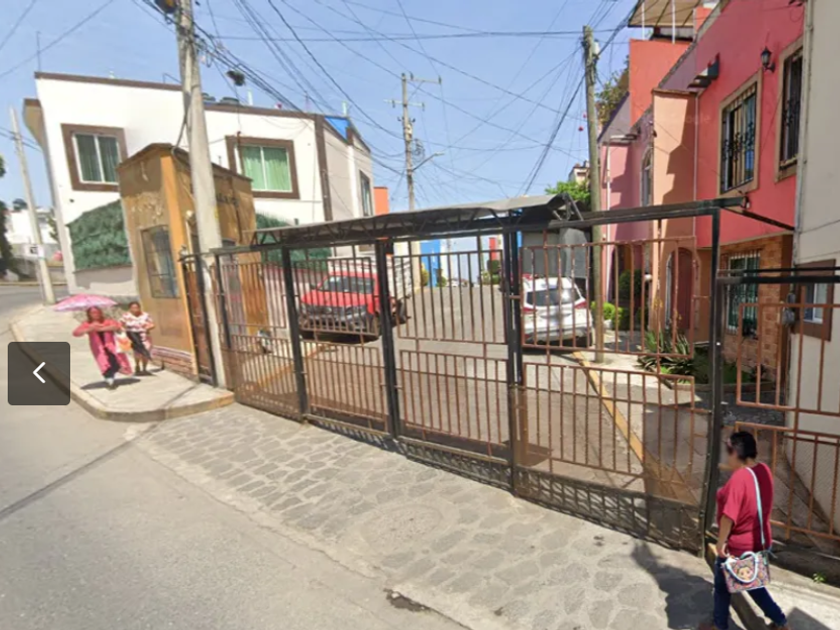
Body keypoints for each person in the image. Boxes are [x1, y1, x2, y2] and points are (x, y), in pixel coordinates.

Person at [699, 432, 790, 630]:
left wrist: (721, 542)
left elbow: (728, 516)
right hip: (760, 539)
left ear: (735, 453)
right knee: (746, 584)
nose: (727, 458)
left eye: (728, 452)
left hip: (738, 546)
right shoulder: (763, 470)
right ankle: (780, 622)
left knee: (727, 586)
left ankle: (720, 625)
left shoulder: (739, 478)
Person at [72, 306, 132, 389]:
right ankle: (110, 381)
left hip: (111, 346)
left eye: (97, 312)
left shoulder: (108, 321)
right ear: (89, 314)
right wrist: (88, 329)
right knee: (103, 363)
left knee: (114, 359)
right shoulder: (87, 324)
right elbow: (76, 333)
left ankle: (117, 369)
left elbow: (117, 326)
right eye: (93, 313)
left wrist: (101, 328)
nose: (96, 314)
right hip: (98, 348)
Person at [121, 301, 155, 375]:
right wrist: (124, 331)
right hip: (133, 336)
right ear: (130, 308)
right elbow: (121, 325)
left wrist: (148, 328)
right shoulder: (126, 316)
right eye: (133, 307)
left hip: (144, 335)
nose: (135, 309)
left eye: (136, 307)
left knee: (145, 351)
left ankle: (144, 368)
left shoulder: (145, 315)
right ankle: (137, 365)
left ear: (139, 307)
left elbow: (152, 324)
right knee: (137, 353)